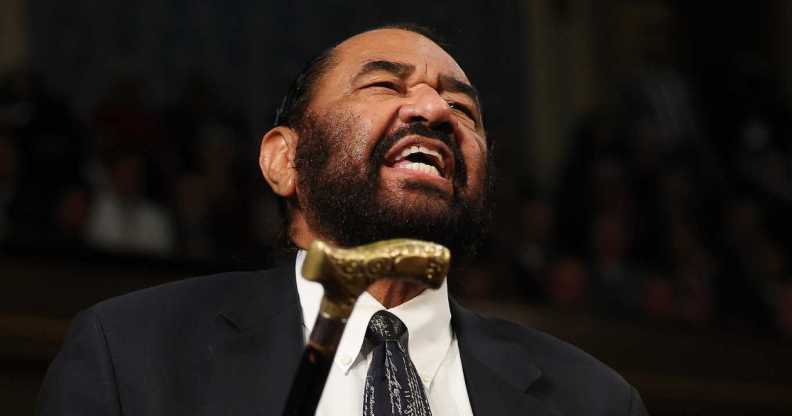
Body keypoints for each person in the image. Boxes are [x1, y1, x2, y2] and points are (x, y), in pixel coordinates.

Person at [38, 24, 649, 416]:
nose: (435, 108)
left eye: (463, 107)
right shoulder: (132, 355)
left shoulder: (594, 400)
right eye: (385, 84)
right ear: (285, 160)